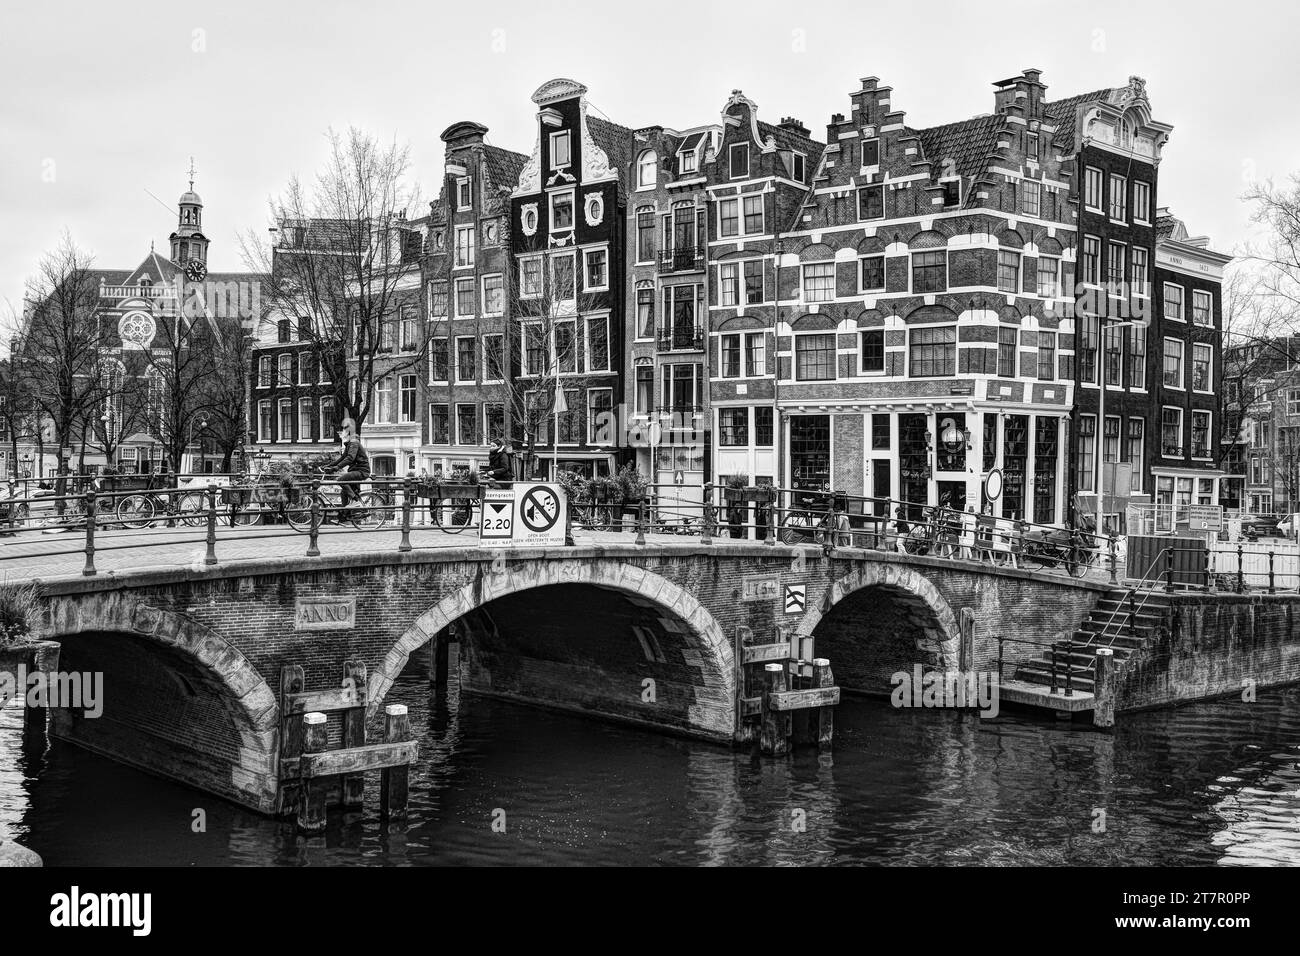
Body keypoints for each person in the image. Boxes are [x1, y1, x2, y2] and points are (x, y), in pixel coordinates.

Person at [324, 418, 370, 511]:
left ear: (348, 432)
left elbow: (350, 458)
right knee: (343, 492)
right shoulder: (350, 444)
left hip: (361, 471)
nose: (342, 432)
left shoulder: (354, 443)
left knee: (341, 480)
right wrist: (330, 465)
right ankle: (345, 515)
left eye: (344, 430)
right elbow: (342, 458)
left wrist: (336, 468)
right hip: (356, 470)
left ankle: (355, 501)